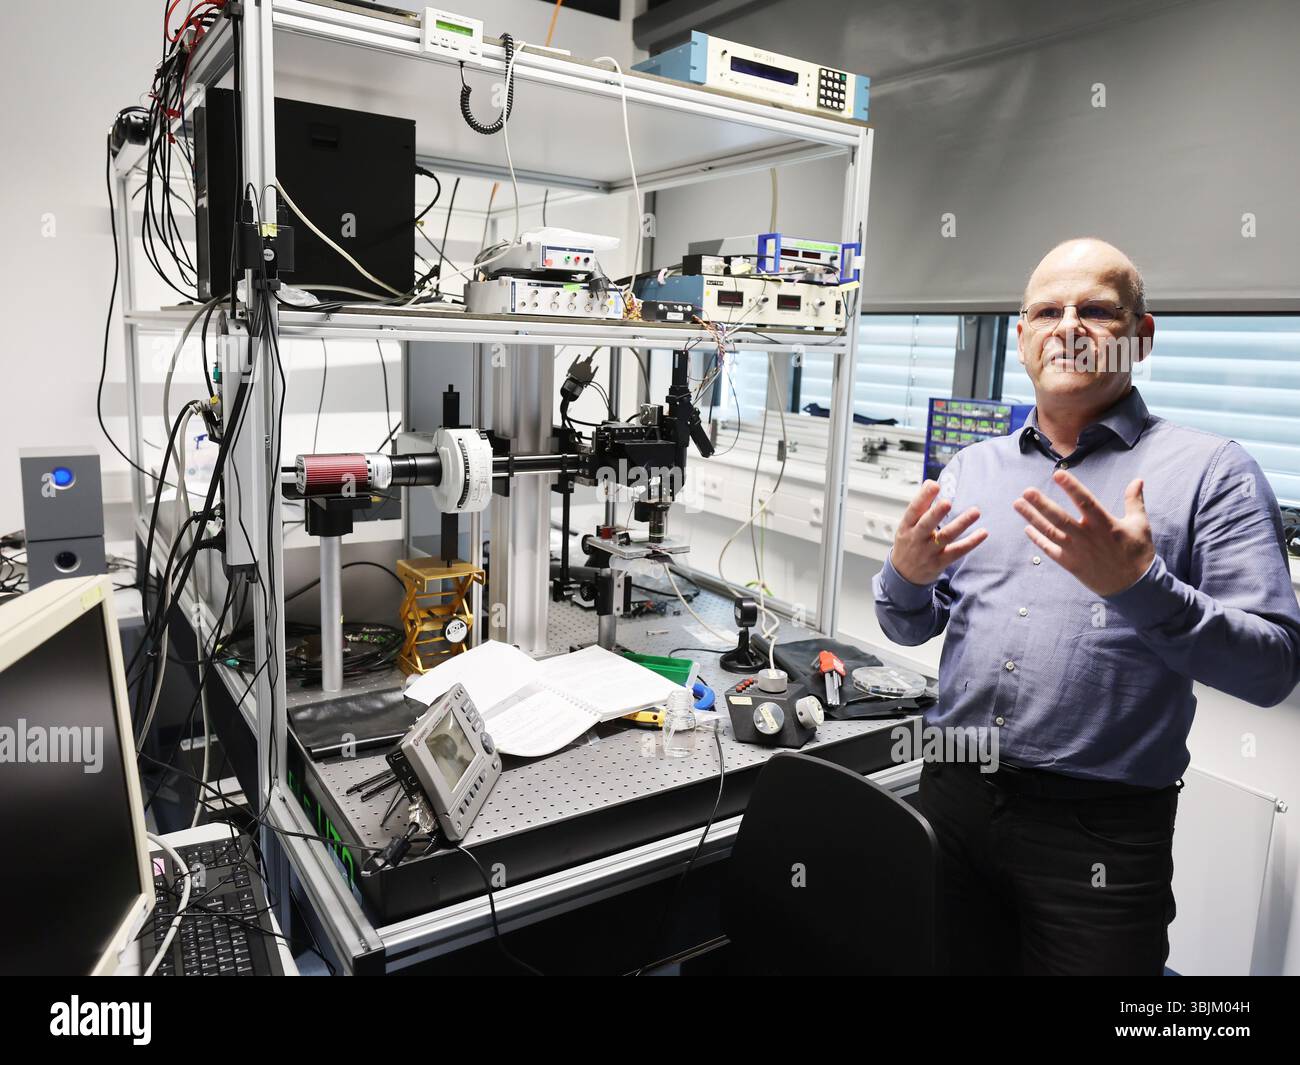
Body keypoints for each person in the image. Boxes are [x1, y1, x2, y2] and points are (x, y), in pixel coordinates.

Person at [873, 237, 1300, 975]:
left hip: (1097, 831)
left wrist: (1141, 589)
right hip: (952, 791)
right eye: (1046, 310)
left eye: (1096, 310)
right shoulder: (975, 466)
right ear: (1021, 336)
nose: (1066, 326)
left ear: (1141, 335)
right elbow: (907, 622)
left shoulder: (1211, 472)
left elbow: (1273, 669)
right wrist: (905, 576)